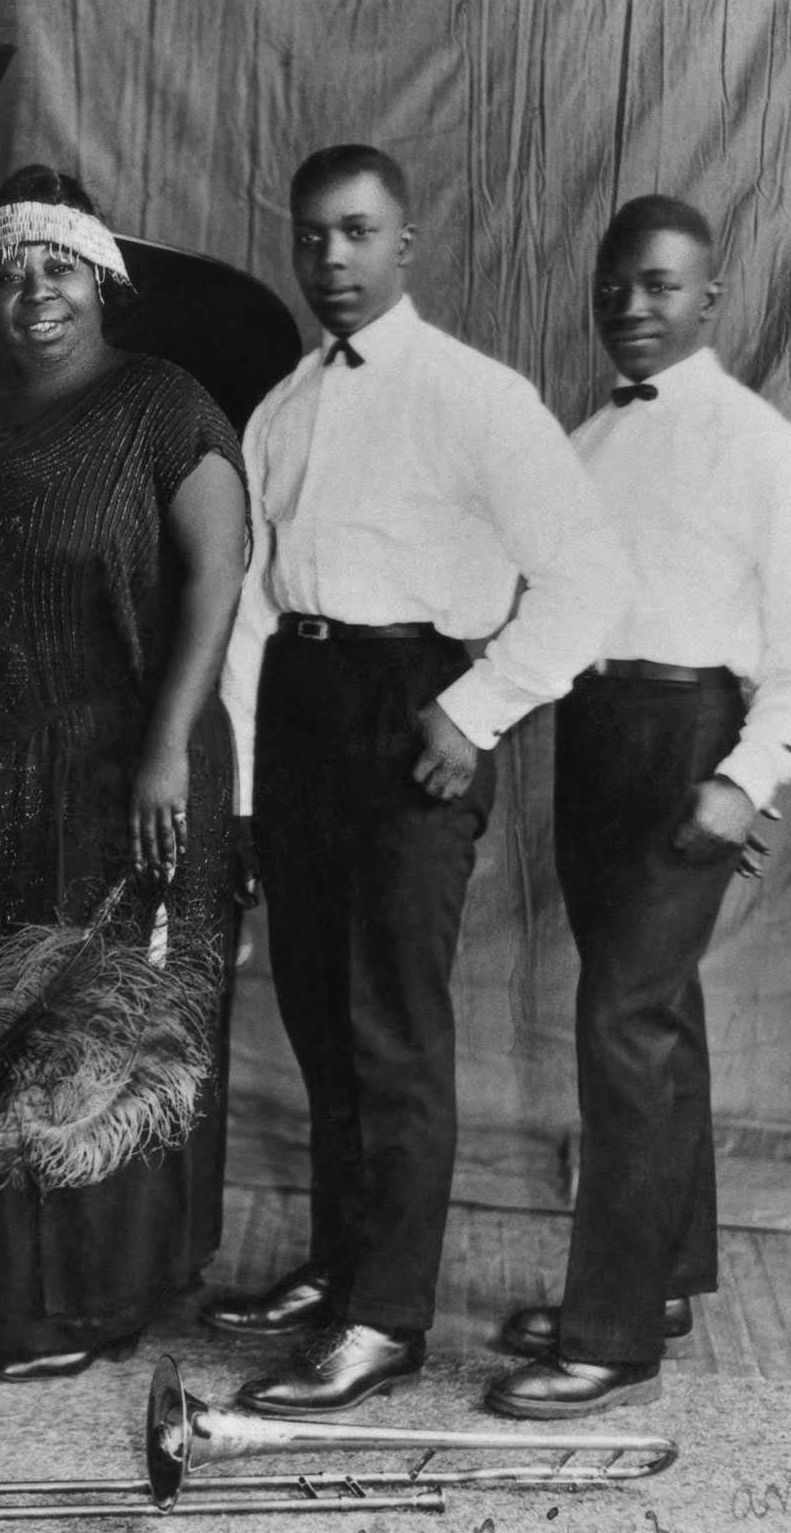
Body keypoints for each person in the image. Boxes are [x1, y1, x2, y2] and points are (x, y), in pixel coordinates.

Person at [208, 144, 627, 1415]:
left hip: (416, 712)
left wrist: (477, 710)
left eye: (358, 234)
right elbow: (251, 609)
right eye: (313, 237)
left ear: (407, 245)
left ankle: (386, 1321)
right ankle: (341, 1264)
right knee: (324, 1018)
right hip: (301, 709)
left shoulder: (476, 397)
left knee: (394, 1026)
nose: (332, 260)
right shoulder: (280, 405)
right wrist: (239, 792)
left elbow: (588, 580)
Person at [485, 196, 791, 1417]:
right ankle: (658, 1278)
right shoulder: (585, 442)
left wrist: (744, 774)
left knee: (623, 1027)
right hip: (595, 735)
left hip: (693, 736)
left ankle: (607, 1340)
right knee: (655, 1016)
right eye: (614, 287)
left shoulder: (760, 446)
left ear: (710, 300)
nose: (632, 309)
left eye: (659, 287)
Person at [0, 167, 249, 1379]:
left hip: (126, 759)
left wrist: (162, 757)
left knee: (99, 1019)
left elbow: (215, 580)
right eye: (14, 269)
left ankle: (91, 1298)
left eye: (62, 266)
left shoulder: (165, 404)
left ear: (105, 279)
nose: (38, 291)